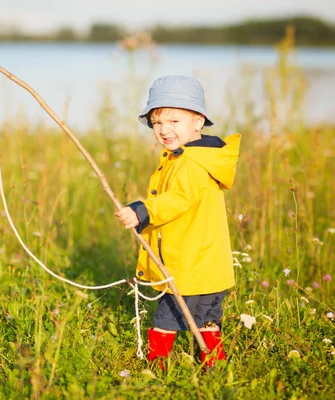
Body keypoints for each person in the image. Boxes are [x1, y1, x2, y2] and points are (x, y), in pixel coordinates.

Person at [115, 75, 240, 369]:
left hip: (189, 265)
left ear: (198, 122)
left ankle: (157, 368)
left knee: (166, 318)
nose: (163, 130)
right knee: (207, 317)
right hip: (206, 264)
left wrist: (142, 211)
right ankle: (214, 364)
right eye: (157, 122)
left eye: (174, 121)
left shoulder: (192, 163)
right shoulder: (190, 156)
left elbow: (178, 200)